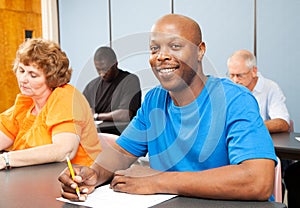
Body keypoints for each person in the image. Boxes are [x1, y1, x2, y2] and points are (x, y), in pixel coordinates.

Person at [59, 14, 277, 202]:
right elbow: (122, 152)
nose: (161, 56)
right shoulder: (154, 100)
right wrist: (93, 174)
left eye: (175, 46)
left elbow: (258, 181)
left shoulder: (235, 99)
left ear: (200, 51)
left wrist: (158, 180)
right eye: (154, 48)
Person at [0, 38, 101, 170]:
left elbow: (64, 151)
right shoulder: (26, 102)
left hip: (74, 181)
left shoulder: (65, 97)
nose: (23, 79)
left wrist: (6, 159)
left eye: (33, 75)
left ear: (51, 78)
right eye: (21, 70)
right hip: (34, 178)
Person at [227, 49, 290, 133]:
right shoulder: (229, 88)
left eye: (240, 75)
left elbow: (283, 122)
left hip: (260, 138)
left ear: (254, 71)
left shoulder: (270, 88)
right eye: (231, 75)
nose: (235, 80)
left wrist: (251, 126)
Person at [83, 46, 141, 122]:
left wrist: (97, 116)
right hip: (96, 132)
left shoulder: (130, 80)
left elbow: (125, 114)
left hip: (122, 132)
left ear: (115, 64)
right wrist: (88, 111)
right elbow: (82, 110)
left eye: (105, 69)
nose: (102, 74)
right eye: (98, 70)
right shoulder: (91, 86)